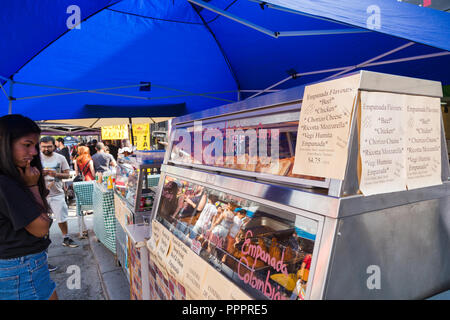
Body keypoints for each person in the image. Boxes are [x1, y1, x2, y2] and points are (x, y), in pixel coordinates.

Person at [0, 114, 58, 300]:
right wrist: (32, 187)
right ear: (4, 143)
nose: (34, 152)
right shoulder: (5, 183)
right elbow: (41, 228)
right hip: (20, 267)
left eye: (35, 145)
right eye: (27, 145)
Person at [40, 136, 78, 248]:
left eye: (49, 146)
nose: (46, 149)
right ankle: (43, 240)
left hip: (57, 193)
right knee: (43, 220)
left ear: (54, 146)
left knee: (62, 218)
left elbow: (67, 174)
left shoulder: (60, 158)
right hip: (41, 195)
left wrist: (55, 174)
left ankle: (66, 238)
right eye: (43, 147)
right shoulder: (36, 159)